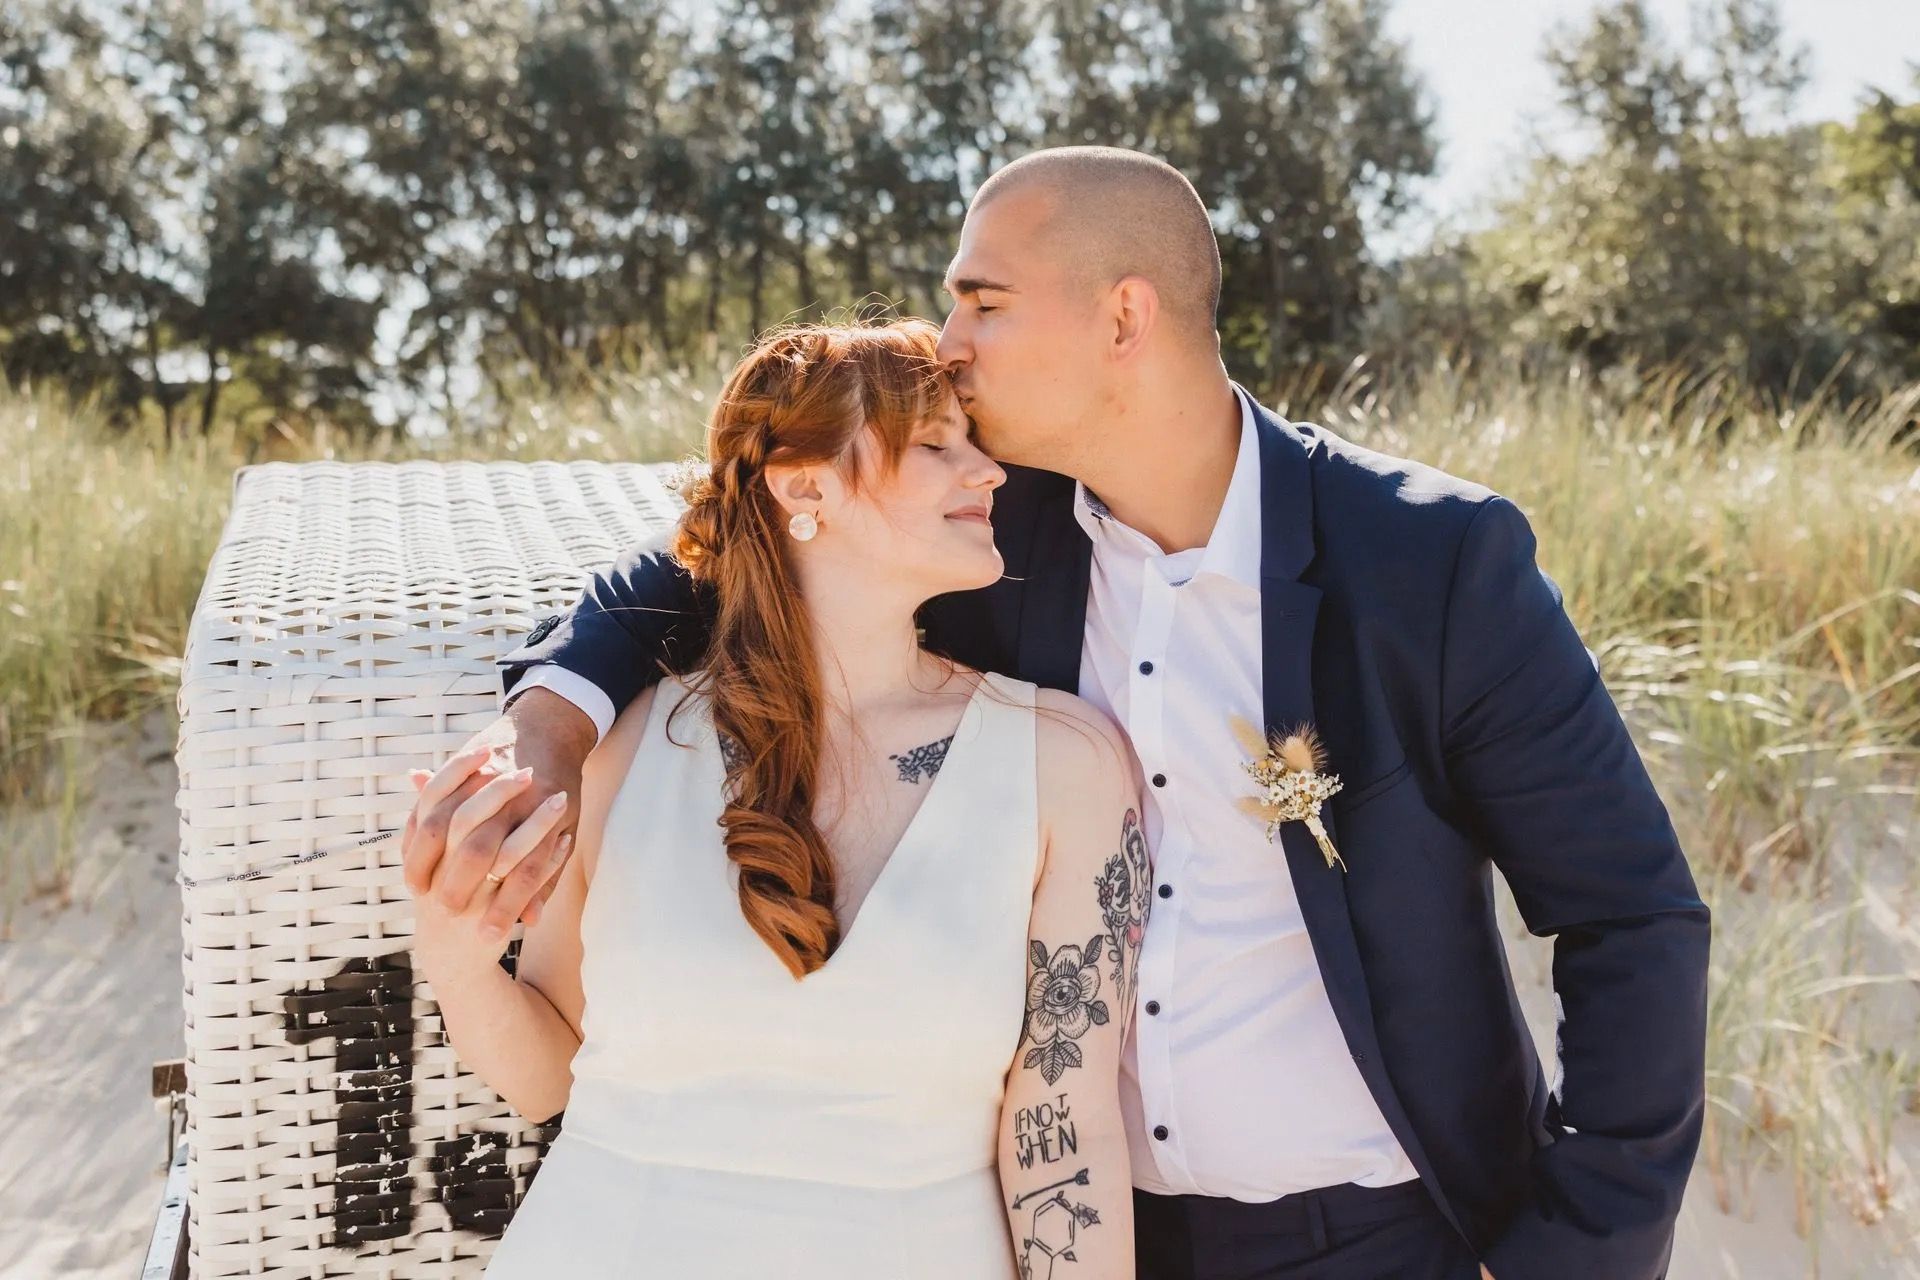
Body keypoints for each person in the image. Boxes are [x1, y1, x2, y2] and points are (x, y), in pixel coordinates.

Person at [419, 146, 1712, 1280]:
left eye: (981, 299)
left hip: (1379, 1232)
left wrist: (1570, 1255)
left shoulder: (1428, 566)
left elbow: (1629, 915)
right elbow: (719, 552)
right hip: (1080, 1235)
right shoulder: (992, 532)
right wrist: (560, 714)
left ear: (1124, 317)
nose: (950, 342)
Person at [400, 318, 1143, 1278]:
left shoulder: (1064, 763)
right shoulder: (635, 744)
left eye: (978, 443)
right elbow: (547, 1077)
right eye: (935, 445)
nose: (989, 472)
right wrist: (456, 958)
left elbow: (1068, 1143)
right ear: (804, 487)